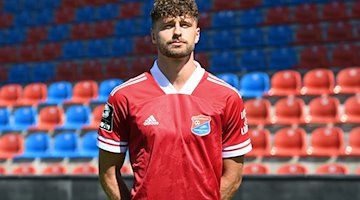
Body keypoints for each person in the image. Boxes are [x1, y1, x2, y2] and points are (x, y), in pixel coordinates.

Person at [97, 0, 252, 199]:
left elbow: (233, 176)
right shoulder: (123, 97)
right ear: (153, 35)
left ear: (197, 34)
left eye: (185, 25)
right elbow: (108, 173)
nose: (177, 32)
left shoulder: (227, 97)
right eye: (168, 25)